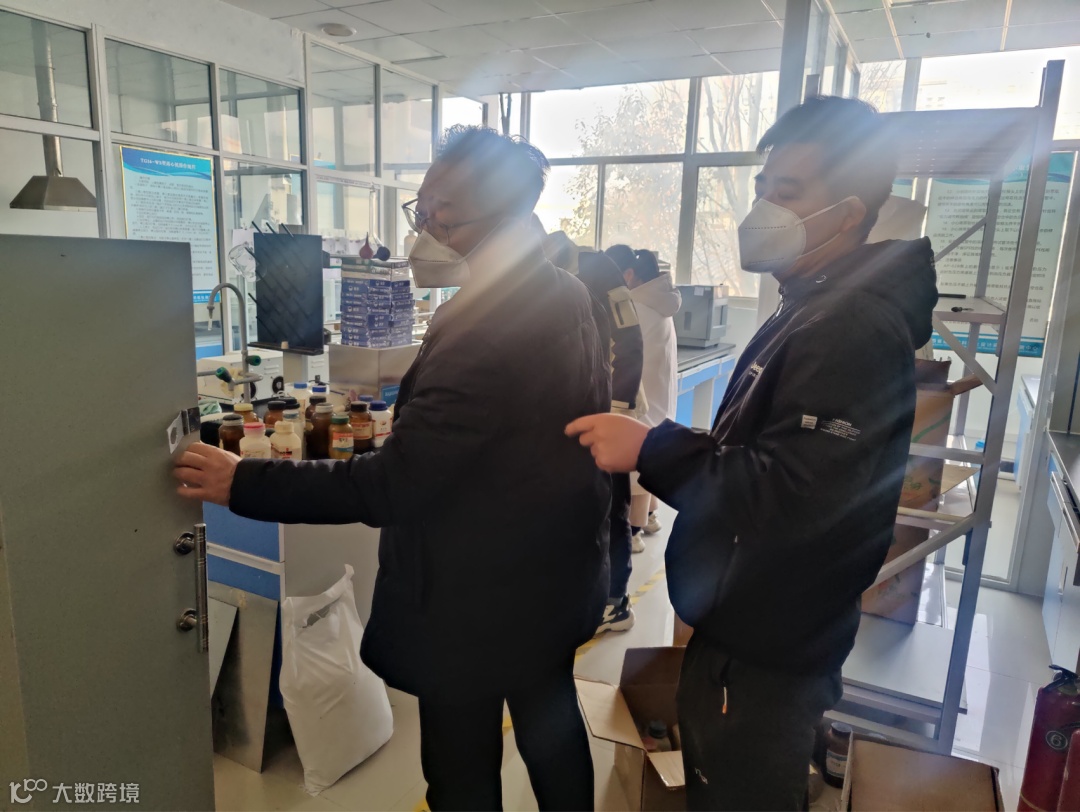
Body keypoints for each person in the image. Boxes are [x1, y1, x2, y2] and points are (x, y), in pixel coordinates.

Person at [176, 126, 611, 812]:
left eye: (444, 217)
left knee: (460, 767)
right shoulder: (562, 291)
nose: (423, 233)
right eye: (421, 210)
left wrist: (244, 481)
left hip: (477, 596)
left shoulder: (486, 324)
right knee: (551, 726)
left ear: (506, 217)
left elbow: (394, 484)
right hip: (549, 572)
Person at [567, 97, 938, 810]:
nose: (762, 207)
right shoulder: (810, 301)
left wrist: (652, 447)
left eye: (787, 192)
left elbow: (793, 493)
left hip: (772, 645)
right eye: (763, 186)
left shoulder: (850, 326)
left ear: (848, 213)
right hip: (751, 628)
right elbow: (769, 453)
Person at [534, 218, 645, 634]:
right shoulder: (529, 275)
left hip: (606, 404)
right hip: (563, 409)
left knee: (609, 503)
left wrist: (615, 409)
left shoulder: (597, 268)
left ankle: (615, 601)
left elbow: (630, 338)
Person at [604, 245, 681, 538]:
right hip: (659, 390)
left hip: (641, 394)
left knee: (635, 464)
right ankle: (649, 516)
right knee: (650, 454)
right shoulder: (659, 301)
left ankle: (632, 534)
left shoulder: (633, 306)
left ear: (628, 275)